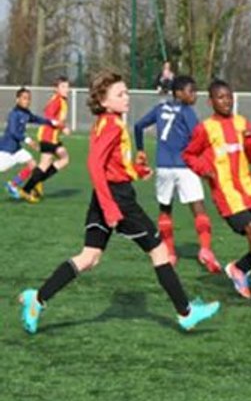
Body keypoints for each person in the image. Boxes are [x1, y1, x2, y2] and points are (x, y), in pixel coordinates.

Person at [17, 71, 220, 335]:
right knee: (159, 251)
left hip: (107, 194)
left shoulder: (105, 122)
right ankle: (186, 313)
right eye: (120, 94)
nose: (127, 97)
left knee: (89, 257)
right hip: (117, 199)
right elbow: (95, 165)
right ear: (103, 101)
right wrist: (110, 207)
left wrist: (137, 171)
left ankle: (38, 298)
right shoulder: (112, 124)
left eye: (126, 92)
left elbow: (113, 166)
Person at [183, 79, 251, 305]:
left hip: (250, 189)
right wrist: (204, 169)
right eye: (220, 97)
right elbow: (189, 155)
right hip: (227, 194)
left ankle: (240, 268)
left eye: (229, 97)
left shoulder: (242, 123)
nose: (226, 101)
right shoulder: (205, 128)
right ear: (211, 102)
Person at [134, 74, 222, 273]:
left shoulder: (160, 108)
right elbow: (198, 136)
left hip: (164, 167)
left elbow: (138, 126)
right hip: (184, 166)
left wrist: (140, 149)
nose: (195, 95)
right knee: (198, 208)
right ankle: (205, 250)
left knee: (165, 209)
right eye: (191, 91)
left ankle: (170, 253)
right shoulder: (187, 111)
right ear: (179, 93)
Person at [16, 76, 72, 199]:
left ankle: (36, 182)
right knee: (45, 164)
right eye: (63, 86)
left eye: (67, 86)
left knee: (64, 159)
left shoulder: (61, 100)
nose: (66, 89)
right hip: (48, 136)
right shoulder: (57, 100)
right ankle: (26, 190)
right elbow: (49, 115)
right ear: (56, 88)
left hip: (53, 138)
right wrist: (63, 127)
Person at [2, 88, 57, 202]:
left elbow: (36, 119)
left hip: (17, 150)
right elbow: (13, 132)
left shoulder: (25, 113)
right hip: (5, 150)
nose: (27, 101)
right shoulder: (14, 114)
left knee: (32, 164)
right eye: (24, 98)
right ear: (17, 99)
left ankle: (13, 185)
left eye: (28, 99)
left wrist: (51, 122)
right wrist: (28, 140)